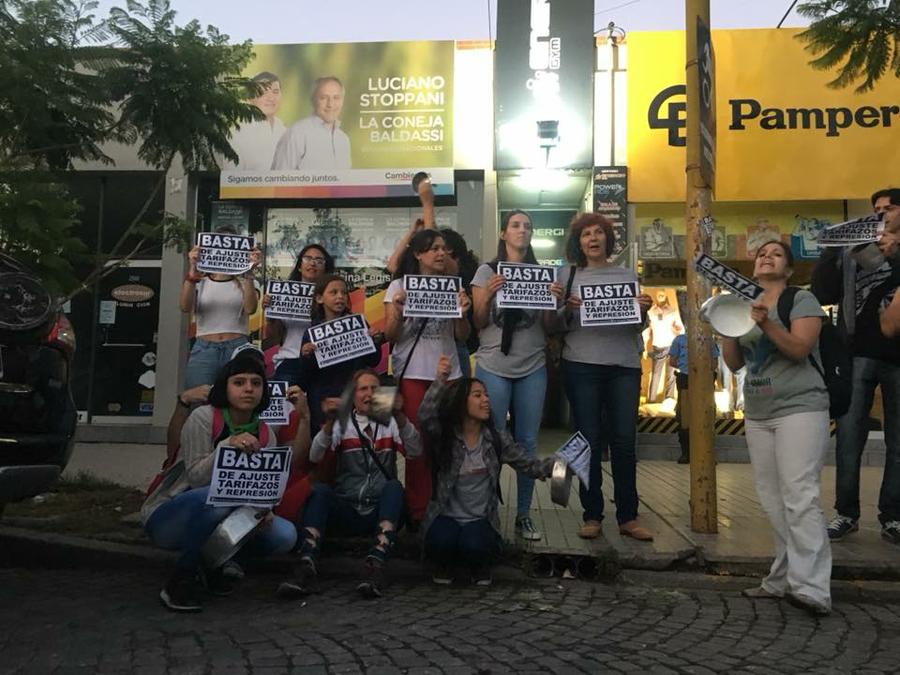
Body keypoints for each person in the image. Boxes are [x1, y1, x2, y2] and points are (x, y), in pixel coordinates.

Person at [141, 352, 305, 612]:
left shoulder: (265, 433)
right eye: (239, 383)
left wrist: (264, 509)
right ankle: (180, 579)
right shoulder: (204, 419)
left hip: (224, 518)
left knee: (285, 535)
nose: (248, 389)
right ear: (224, 388)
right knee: (217, 501)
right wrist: (226, 447)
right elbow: (195, 478)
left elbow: (262, 487)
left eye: (256, 383)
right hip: (172, 515)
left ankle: (213, 564)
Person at [721, 240, 832, 616]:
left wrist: (765, 321)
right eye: (760, 254)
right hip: (758, 411)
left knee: (800, 495)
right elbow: (735, 363)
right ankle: (782, 578)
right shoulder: (742, 300)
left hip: (800, 407)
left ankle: (813, 587)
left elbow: (800, 348)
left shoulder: (800, 300)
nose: (766, 257)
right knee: (772, 499)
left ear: (788, 269)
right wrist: (726, 323)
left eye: (776, 254)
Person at [277, 369, 420, 599]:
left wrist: (400, 416)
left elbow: (415, 450)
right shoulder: (342, 423)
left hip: (380, 510)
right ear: (352, 395)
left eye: (375, 388)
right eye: (363, 389)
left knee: (394, 488)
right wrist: (330, 422)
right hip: (347, 507)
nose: (369, 394)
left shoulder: (390, 421)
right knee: (320, 492)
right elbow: (314, 456)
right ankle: (306, 561)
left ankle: (376, 562)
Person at [555, 213, 654, 542]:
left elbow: (636, 325)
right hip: (581, 364)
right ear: (578, 241)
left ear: (608, 239)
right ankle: (592, 514)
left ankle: (628, 515)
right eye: (586, 234)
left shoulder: (627, 275)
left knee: (625, 443)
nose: (593, 238)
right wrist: (566, 309)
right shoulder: (566, 275)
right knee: (588, 442)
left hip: (624, 365)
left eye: (599, 233)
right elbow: (555, 326)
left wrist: (643, 310)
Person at [812, 188, 900, 545]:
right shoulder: (854, 250)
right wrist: (835, 247)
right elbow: (822, 292)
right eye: (876, 209)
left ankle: (892, 517)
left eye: (890, 208)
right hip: (857, 353)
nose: (882, 214)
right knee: (848, 437)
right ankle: (846, 513)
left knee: (898, 441)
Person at [419, 356, 553, 585]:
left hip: (480, 521)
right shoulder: (446, 436)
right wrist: (440, 380)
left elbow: (530, 466)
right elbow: (425, 416)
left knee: (473, 543)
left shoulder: (496, 439)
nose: (486, 401)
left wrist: (560, 464)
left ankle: (480, 566)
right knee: (442, 540)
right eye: (478, 395)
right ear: (462, 402)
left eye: (487, 396)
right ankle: (444, 565)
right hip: (446, 517)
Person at [471, 209, 553, 541]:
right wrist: (488, 295)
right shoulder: (485, 271)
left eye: (528, 226)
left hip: (532, 365)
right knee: (491, 440)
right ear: (504, 234)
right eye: (516, 225)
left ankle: (523, 514)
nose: (522, 230)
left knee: (527, 443)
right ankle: (486, 511)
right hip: (493, 365)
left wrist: (552, 305)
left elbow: (549, 328)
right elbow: (477, 323)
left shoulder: (542, 275)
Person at [384, 229, 472, 524]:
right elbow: (391, 336)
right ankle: (418, 510)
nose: (440, 253)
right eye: (433, 248)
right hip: (413, 373)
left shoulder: (454, 287)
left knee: (449, 442)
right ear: (418, 254)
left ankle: (447, 505)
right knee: (417, 444)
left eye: (444, 249)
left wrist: (461, 313)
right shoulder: (398, 286)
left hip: (448, 374)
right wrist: (398, 310)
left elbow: (463, 337)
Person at [296, 274, 382, 434]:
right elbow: (304, 378)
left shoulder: (359, 324)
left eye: (343, 293)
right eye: (334, 292)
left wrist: (376, 341)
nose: (340, 297)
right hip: (323, 402)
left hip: (354, 399)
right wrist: (306, 356)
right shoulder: (311, 333)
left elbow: (374, 361)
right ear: (319, 298)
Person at [179, 228, 261, 389]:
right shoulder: (199, 282)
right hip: (205, 348)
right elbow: (184, 307)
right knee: (198, 399)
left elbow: (250, 309)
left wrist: (249, 271)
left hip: (237, 347)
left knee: (237, 401)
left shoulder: (247, 283)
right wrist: (193, 269)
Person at [266, 244, 335, 384]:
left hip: (324, 362)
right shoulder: (283, 295)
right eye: (308, 258)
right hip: (291, 361)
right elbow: (274, 337)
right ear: (299, 266)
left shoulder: (334, 296)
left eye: (319, 260)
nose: (313, 263)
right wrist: (270, 315)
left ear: (325, 269)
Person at [271, 76, 351, 170]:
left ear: (342, 101)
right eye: (323, 98)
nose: (330, 104)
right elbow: (278, 180)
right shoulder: (296, 134)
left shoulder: (343, 140)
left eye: (336, 98)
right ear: (313, 100)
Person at [668, 324, 718, 464]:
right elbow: (672, 361)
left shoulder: (709, 340)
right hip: (685, 379)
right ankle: (686, 453)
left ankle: (708, 453)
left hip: (705, 379)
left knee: (707, 415)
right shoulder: (679, 340)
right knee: (684, 416)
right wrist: (688, 368)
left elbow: (714, 363)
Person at [224, 71, 286, 171]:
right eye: (262, 92)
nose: (271, 98)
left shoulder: (285, 131)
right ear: (249, 98)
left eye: (275, 92)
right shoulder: (237, 135)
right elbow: (231, 181)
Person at [646, 290, 683, 402]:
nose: (661, 296)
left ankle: (669, 399)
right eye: (658, 294)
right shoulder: (651, 311)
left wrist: (676, 331)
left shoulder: (672, 311)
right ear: (656, 296)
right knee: (656, 374)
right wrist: (645, 342)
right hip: (658, 345)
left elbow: (680, 328)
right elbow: (648, 329)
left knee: (671, 374)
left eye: (663, 294)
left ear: (666, 296)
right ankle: (651, 399)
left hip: (671, 345)